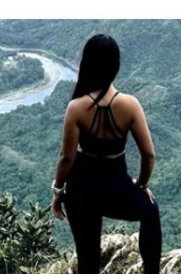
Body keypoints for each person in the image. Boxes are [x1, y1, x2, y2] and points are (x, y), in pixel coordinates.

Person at [50, 34, 160, 274]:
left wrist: (58, 192)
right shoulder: (130, 105)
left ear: (86, 65)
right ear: (116, 66)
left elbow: (66, 158)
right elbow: (148, 155)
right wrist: (141, 185)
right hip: (117, 187)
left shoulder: (76, 107)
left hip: (81, 190)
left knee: (87, 261)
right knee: (150, 211)